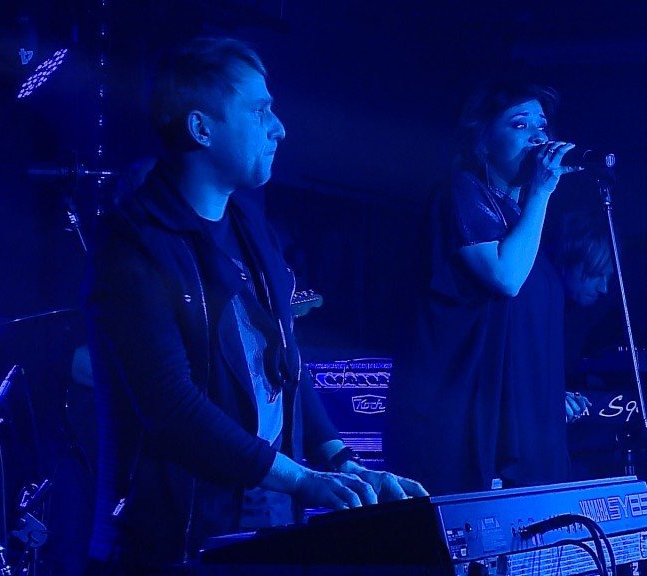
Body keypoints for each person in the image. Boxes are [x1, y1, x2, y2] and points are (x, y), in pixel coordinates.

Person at [81, 36, 425, 574]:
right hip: (175, 544)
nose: (279, 127)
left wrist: (340, 460)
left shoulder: (250, 226)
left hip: (262, 523)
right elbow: (172, 410)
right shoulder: (133, 246)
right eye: (260, 110)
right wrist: (302, 479)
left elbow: (286, 365)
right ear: (201, 129)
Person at [386, 80, 590, 496]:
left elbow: (512, 333)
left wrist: (543, 393)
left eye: (542, 125)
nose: (537, 136)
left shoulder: (519, 219)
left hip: (502, 423)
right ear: (482, 141)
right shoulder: (459, 192)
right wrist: (542, 191)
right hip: (453, 423)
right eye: (519, 124)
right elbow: (505, 278)